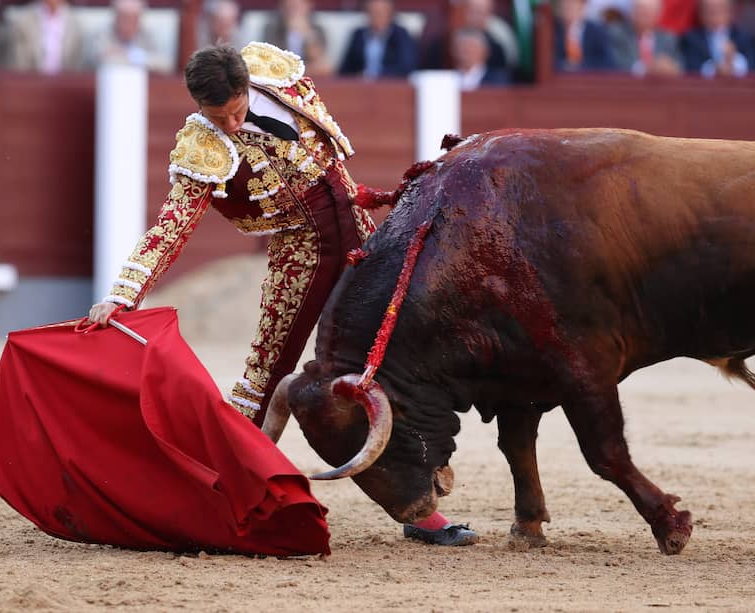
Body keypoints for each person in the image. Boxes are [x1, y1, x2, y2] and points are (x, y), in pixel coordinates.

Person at [88, 42, 478, 547]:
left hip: (362, 239)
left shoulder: (277, 74)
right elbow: (172, 224)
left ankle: (418, 507)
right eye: (215, 117)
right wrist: (124, 294)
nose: (228, 125)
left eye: (235, 111)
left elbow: (327, 158)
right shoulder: (201, 145)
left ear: (248, 86)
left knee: (398, 361)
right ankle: (215, 499)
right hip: (302, 257)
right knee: (263, 379)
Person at [84, 0, 172, 71]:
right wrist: (144, 59)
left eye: (133, 18)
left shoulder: (147, 36)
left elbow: (165, 64)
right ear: (116, 17)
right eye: (124, 17)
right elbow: (104, 61)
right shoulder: (101, 35)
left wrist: (131, 54)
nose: (128, 23)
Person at [338, 0, 417, 78]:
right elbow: (345, 69)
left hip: (390, 84)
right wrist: (358, 76)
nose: (376, 16)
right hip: (360, 85)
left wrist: (376, 75)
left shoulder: (401, 35)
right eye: (373, 12)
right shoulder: (358, 35)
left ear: (390, 13)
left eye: (380, 12)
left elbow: (406, 67)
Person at [680, 0, 755, 77]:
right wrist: (714, 69)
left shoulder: (744, 37)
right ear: (700, 13)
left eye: (719, 9)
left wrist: (734, 59)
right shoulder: (691, 39)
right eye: (709, 10)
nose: (714, 15)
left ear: (730, 12)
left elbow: (751, 67)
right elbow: (691, 68)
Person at [608, 0, 683, 76]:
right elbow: (615, 64)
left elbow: (680, 67)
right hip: (627, 84)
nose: (645, 15)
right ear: (632, 12)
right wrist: (646, 68)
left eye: (649, 12)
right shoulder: (617, 34)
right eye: (641, 11)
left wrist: (670, 68)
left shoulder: (668, 38)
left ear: (659, 14)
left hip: (660, 85)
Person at [8, 0, 86, 73]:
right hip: (32, 82)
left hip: (66, 83)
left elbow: (77, 64)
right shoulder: (25, 21)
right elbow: (20, 64)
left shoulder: (76, 24)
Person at [263, 0, 332, 76]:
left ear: (308, 6)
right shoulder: (271, 29)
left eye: (297, 6)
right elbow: (271, 62)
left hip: (310, 78)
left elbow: (322, 65)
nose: (294, 11)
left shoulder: (318, 30)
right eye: (290, 6)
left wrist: (307, 34)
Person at [555, 0, 617, 71]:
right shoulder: (551, 31)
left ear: (582, 7)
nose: (569, 8)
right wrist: (564, 66)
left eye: (573, 5)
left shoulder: (596, 31)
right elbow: (546, 61)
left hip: (589, 79)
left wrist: (580, 67)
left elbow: (608, 62)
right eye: (565, 5)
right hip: (561, 79)